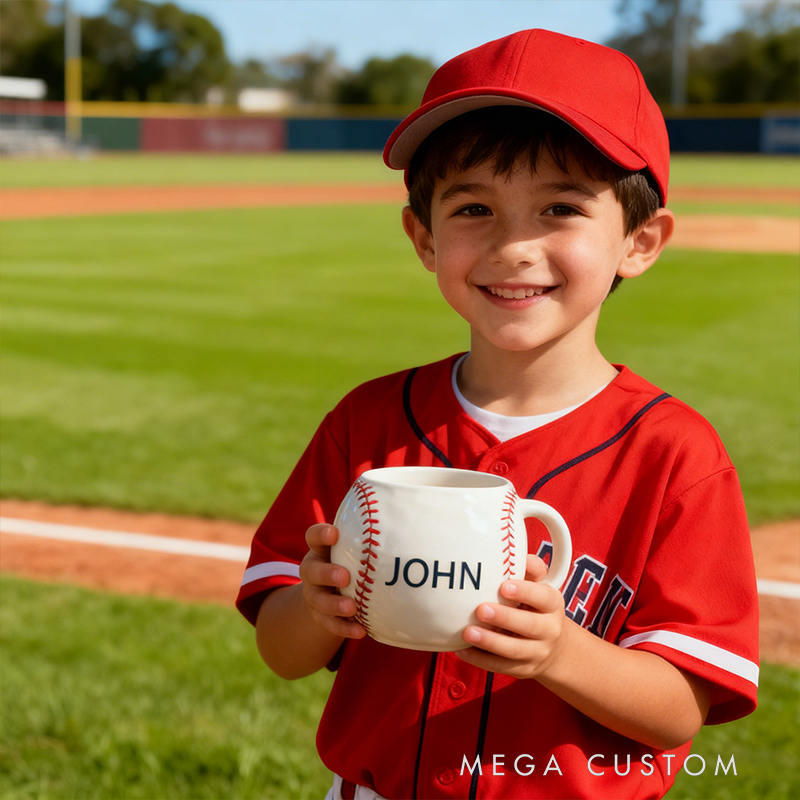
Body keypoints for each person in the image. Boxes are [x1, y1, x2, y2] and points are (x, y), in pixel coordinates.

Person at [236, 29, 759, 800]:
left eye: (560, 207)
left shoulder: (676, 455)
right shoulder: (365, 422)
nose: (514, 246)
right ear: (424, 237)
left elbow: (681, 710)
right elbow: (282, 652)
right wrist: (317, 608)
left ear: (640, 241)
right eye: (474, 207)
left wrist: (559, 653)